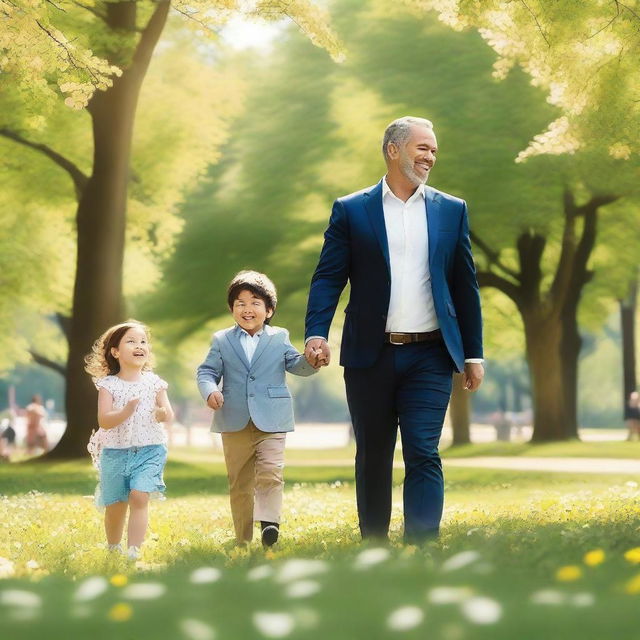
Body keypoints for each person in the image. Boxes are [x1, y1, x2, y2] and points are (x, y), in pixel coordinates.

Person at [305, 116, 484, 543]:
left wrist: (472, 353)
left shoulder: (451, 209)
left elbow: (465, 284)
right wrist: (316, 332)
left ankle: (422, 543)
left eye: (434, 150)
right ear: (393, 150)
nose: (430, 157)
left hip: (431, 354)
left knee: (424, 450)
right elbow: (329, 276)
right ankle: (374, 544)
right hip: (370, 353)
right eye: (422, 148)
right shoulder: (352, 209)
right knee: (374, 454)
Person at [196, 271, 318, 547]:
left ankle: (269, 526)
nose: (247, 309)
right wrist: (211, 390)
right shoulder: (221, 340)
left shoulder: (279, 337)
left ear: (269, 309)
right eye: (240, 303)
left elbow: (296, 364)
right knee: (239, 482)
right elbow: (206, 372)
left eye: (255, 302)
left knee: (271, 472)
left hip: (272, 417)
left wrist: (313, 361)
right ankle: (242, 538)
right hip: (233, 416)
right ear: (232, 309)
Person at [85, 320, 174, 561]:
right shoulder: (108, 385)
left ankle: (133, 551)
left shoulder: (154, 382)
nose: (140, 345)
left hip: (150, 449)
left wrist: (161, 413)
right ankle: (114, 548)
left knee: (138, 495)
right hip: (115, 452)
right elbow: (104, 420)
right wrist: (125, 411)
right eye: (132, 341)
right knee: (115, 502)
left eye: (143, 341)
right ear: (115, 352)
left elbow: (168, 412)